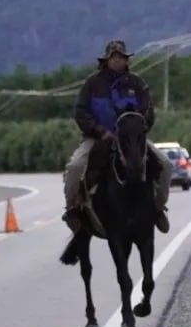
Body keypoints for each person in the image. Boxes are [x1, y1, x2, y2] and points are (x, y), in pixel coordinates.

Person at [62, 40, 172, 235]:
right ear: (106, 60)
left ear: (126, 60)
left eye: (121, 57)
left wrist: (138, 131)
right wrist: (100, 131)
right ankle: (73, 209)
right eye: (114, 57)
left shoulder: (137, 84)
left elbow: (148, 112)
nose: (117, 61)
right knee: (74, 167)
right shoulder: (92, 84)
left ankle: (158, 209)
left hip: (131, 140)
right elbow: (81, 112)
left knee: (165, 164)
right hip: (97, 138)